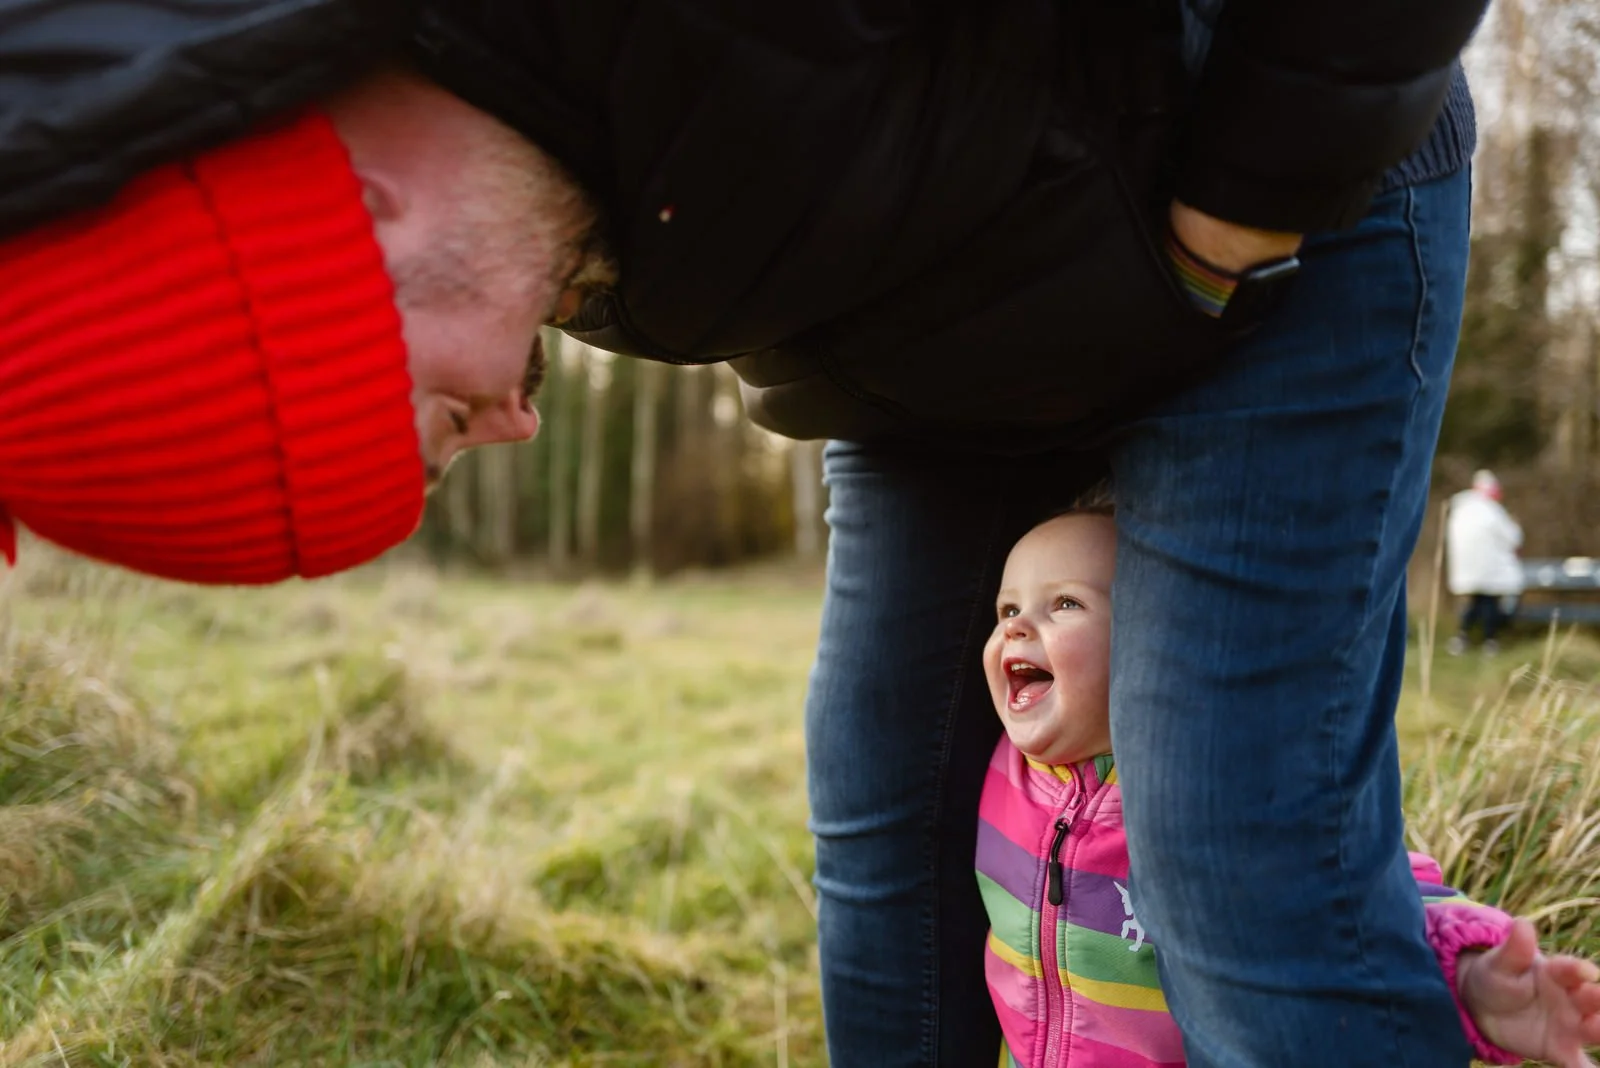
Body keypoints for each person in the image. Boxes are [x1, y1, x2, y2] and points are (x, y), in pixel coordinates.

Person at [0, 2, 1495, 1065]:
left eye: (438, 418)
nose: (513, 422)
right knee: (884, 834)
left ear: (359, 230)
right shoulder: (376, 116)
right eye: (462, 439)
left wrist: (1240, 201)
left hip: (1271, 198)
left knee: (1235, 856)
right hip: (933, 354)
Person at [978, 495, 1600, 1068]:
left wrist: (1475, 971)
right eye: (1008, 608)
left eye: (1065, 603)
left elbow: (1356, 889)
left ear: (1156, 642)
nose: (1016, 626)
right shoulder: (998, 770)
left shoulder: (1211, 790)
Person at [1446, 470, 1525, 656]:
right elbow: (1514, 537)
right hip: (1491, 569)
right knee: (1489, 601)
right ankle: (1490, 640)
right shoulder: (1492, 511)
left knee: (1475, 602)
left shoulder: (1461, 509)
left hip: (1466, 568)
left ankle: (1463, 637)